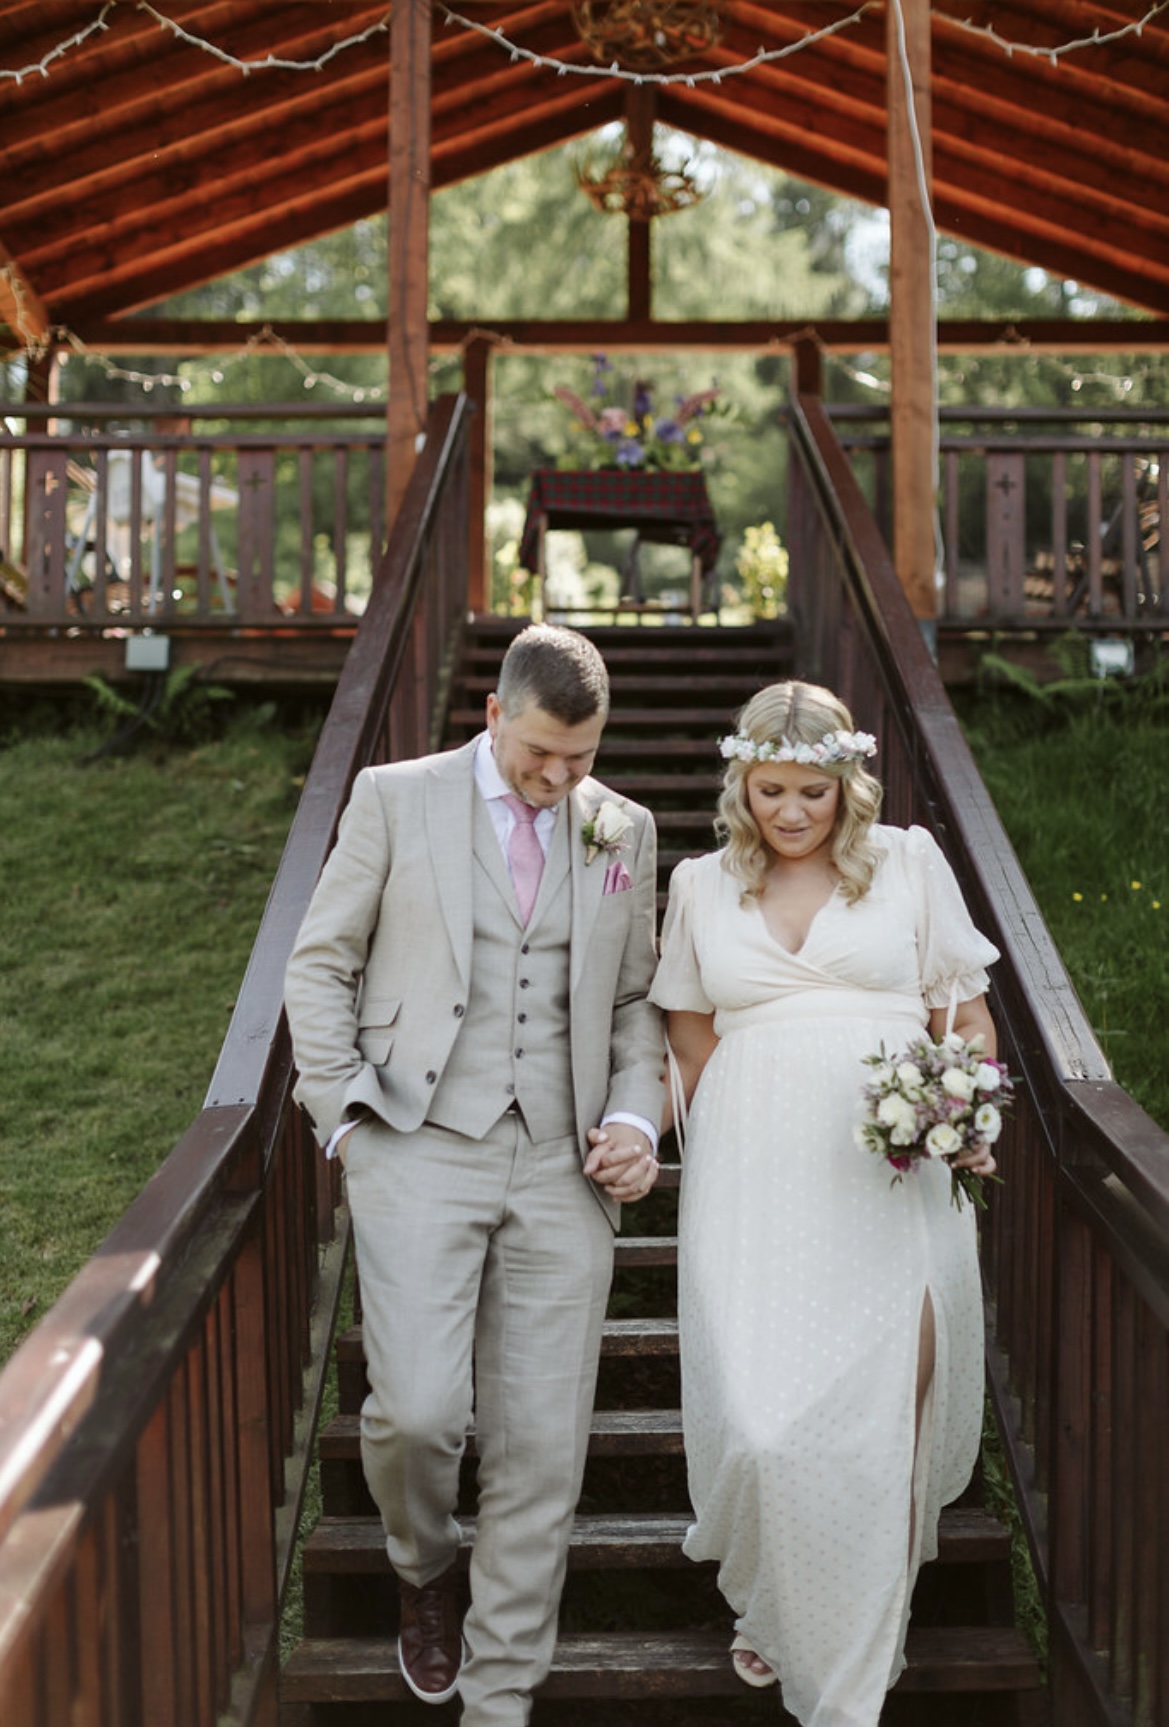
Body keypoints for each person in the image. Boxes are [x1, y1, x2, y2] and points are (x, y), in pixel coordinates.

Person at [284, 624, 664, 1726]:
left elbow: (638, 1000)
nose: (557, 778)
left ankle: (500, 1694)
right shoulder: (394, 798)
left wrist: (635, 1114)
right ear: (493, 715)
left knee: (542, 1445)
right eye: (540, 751)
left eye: (580, 758)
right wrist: (342, 1116)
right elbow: (320, 962)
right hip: (414, 1138)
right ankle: (423, 1565)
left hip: (561, 1159)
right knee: (413, 1411)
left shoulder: (623, 827)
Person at [650, 679, 1001, 1726]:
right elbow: (687, 1030)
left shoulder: (906, 862)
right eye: (768, 790)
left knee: (879, 1406)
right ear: (738, 785)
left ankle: (859, 1643)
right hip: (751, 1178)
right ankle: (770, 1595)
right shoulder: (699, 884)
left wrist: (950, 1104)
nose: (791, 811)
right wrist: (736, 1130)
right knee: (759, 1421)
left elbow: (966, 1016)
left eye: (811, 790)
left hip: (885, 1171)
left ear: (845, 783)